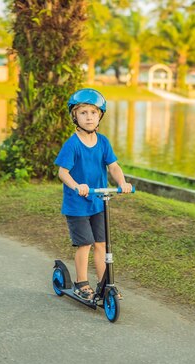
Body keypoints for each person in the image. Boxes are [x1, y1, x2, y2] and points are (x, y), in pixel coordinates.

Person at [54, 88, 132, 300]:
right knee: (85, 243)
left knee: (101, 244)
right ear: (75, 116)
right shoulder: (72, 144)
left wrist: (122, 182)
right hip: (77, 204)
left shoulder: (104, 142)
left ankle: (104, 284)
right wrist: (76, 185)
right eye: (83, 112)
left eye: (93, 112)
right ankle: (81, 283)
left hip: (98, 202)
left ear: (100, 116)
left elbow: (113, 167)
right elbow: (63, 172)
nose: (89, 117)